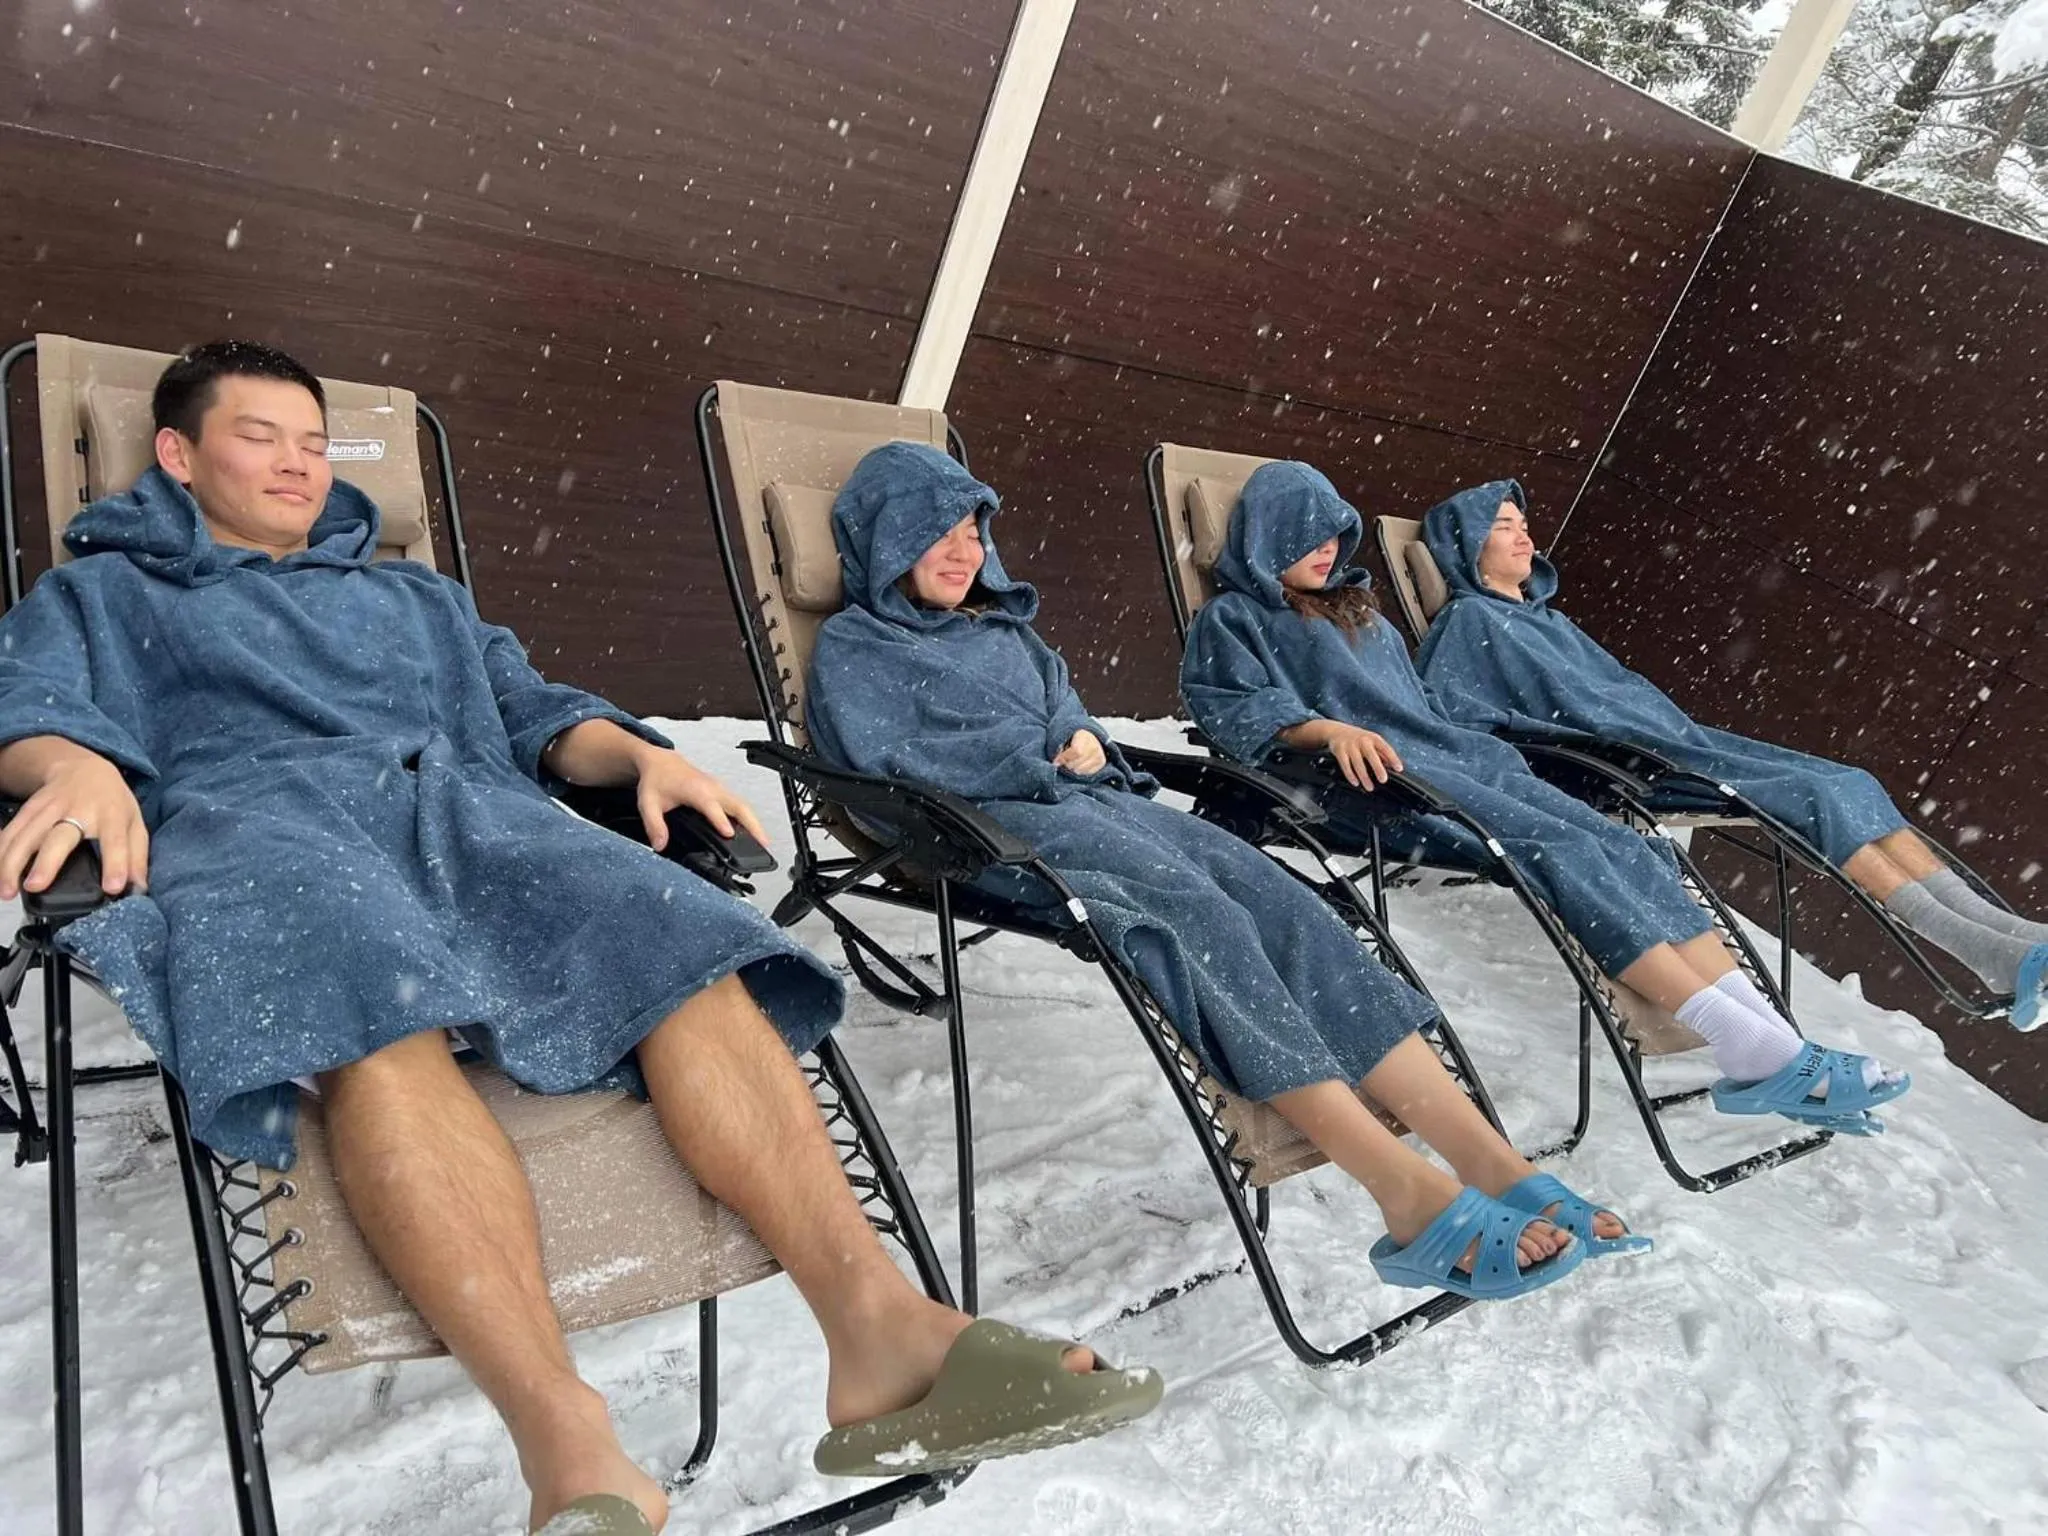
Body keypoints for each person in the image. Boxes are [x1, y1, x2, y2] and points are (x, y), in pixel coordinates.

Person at [0, 343, 1160, 1536]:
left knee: (681, 949)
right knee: (372, 1014)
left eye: (312, 442)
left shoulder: (415, 598)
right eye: (260, 437)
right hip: (266, 832)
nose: (297, 465)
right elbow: (29, 711)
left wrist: (641, 756)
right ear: (179, 455)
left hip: (468, 815)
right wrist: (75, 763)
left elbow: (534, 715)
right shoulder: (102, 595)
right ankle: (570, 1443)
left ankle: (880, 1336)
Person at [805, 440, 1636, 1307]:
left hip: (1101, 808)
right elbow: (888, 768)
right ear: (884, 541)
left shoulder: (1010, 633)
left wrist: (1085, 742)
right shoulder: (856, 648)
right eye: (934, 531)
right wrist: (1043, 756)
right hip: (992, 835)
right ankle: (1405, 1193)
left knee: (1290, 904)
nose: (964, 549)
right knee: (1199, 918)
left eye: (974, 530)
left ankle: (1490, 1162)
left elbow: (1067, 716)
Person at [1179, 460, 1913, 1134]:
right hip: (1380, 789)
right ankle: (1748, 1044)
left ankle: (1777, 1049)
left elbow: (1422, 705)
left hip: (1461, 762)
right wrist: (1324, 729)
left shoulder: (1363, 616)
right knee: (1560, 852)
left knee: (1624, 843)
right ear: (1266, 536)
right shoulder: (1235, 618)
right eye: (1308, 537)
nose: (1329, 551)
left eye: (1337, 536)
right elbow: (1230, 706)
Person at [1414, 481, 2048, 1034]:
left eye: (1525, 527)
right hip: (1637, 762)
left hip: (1684, 741)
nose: (1524, 539)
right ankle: (1988, 952)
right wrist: (1568, 746)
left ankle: (2015, 942)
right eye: (1503, 529)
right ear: (1468, 546)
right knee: (1817, 796)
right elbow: (1458, 717)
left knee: (1852, 781)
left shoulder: (1546, 620)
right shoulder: (1471, 621)